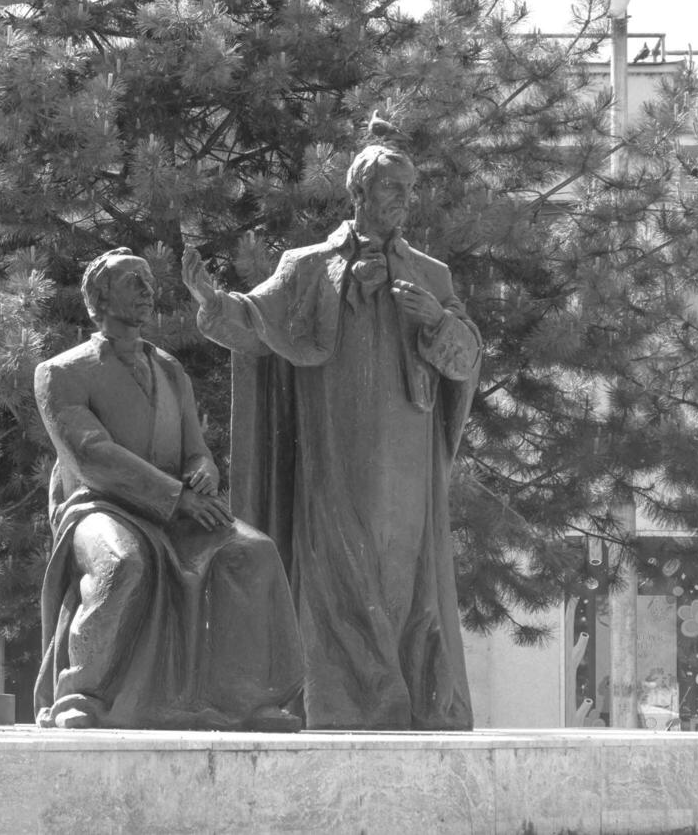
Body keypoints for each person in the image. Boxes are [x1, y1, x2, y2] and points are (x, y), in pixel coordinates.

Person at [182, 135, 481, 730]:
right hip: (333, 448)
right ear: (359, 189)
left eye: (410, 188)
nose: (404, 198)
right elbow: (254, 320)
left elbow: (468, 358)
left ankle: (412, 692)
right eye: (393, 185)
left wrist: (438, 320)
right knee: (337, 566)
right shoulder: (308, 266)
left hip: (406, 451)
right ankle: (347, 699)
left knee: (403, 570)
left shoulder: (431, 273)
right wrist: (212, 303)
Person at [34, 249, 303, 731]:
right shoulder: (61, 373)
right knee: (122, 563)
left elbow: (195, 449)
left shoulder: (170, 369)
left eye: (148, 280)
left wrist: (204, 473)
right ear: (100, 297)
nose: (147, 289)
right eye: (133, 281)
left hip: (176, 507)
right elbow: (93, 456)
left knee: (253, 552)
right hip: (101, 505)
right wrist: (178, 497)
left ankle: (247, 697)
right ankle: (83, 694)